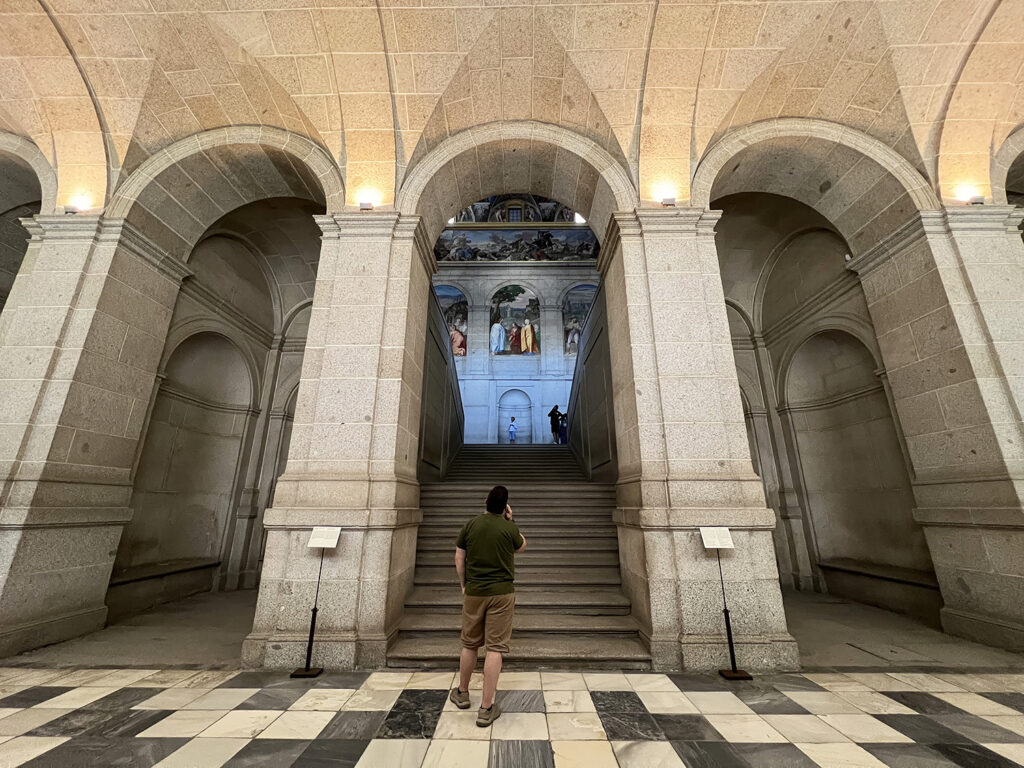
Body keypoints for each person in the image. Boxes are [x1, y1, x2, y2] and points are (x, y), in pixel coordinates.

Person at [450, 485, 527, 727]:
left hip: (475, 592)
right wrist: (511, 520)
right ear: (505, 507)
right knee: (495, 648)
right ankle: (486, 708)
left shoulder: (471, 525)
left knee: (469, 644)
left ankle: (462, 693)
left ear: (485, 502)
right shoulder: (508, 528)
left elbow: (459, 558)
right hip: (502, 593)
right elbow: (522, 546)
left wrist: (464, 584)